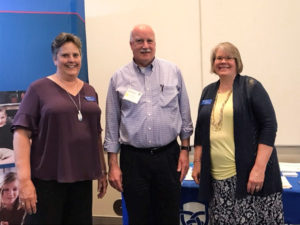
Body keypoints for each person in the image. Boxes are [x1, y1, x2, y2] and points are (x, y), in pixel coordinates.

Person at [11, 32, 108, 225]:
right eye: (65, 55)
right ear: (55, 59)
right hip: (48, 179)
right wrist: (24, 181)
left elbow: (95, 133)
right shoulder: (38, 89)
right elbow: (21, 133)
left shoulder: (89, 91)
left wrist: (102, 170)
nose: (71, 60)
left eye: (75, 55)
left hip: (82, 179)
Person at [104, 24, 193, 225]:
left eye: (149, 41)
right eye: (139, 41)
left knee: (168, 216)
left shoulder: (173, 71)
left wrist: (185, 150)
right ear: (131, 45)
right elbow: (112, 123)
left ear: (155, 43)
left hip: (168, 157)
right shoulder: (118, 77)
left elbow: (184, 114)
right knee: (138, 217)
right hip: (133, 160)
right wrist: (113, 164)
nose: (145, 46)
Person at [192, 42, 284, 224]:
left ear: (237, 61)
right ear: (213, 62)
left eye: (229, 57)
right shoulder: (208, 91)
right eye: (219, 58)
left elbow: (269, 126)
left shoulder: (251, 87)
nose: (223, 61)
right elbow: (201, 130)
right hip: (217, 179)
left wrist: (259, 169)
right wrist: (197, 163)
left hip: (248, 177)